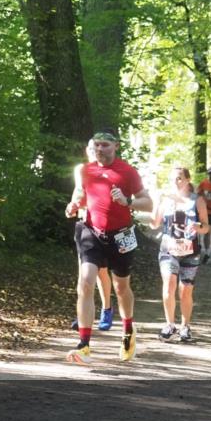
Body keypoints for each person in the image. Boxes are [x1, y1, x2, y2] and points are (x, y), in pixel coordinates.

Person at [65, 129, 151, 365]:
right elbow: (81, 196)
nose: (100, 149)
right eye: (97, 145)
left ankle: (128, 331)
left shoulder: (128, 172)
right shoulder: (86, 170)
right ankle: (83, 345)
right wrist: (73, 206)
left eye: (105, 145)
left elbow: (148, 202)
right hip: (90, 231)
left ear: (116, 146)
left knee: (121, 288)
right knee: (85, 282)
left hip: (121, 236)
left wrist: (128, 202)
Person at [151, 167, 210, 343]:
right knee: (169, 284)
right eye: (172, 179)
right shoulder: (166, 200)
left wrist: (198, 227)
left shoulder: (197, 200)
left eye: (179, 178)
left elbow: (206, 227)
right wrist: (155, 202)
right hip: (169, 250)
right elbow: (154, 224)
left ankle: (185, 326)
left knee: (185, 290)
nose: (175, 182)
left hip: (191, 251)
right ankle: (169, 324)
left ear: (187, 180)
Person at [71, 139, 116, 331]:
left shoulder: (109, 170)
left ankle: (107, 308)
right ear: (87, 150)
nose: (93, 151)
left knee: (102, 272)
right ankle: (83, 314)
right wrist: (72, 206)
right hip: (85, 225)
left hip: (104, 227)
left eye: (96, 148)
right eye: (90, 148)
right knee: (84, 272)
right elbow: (79, 192)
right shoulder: (81, 169)